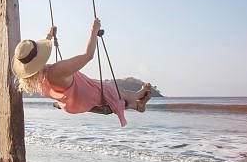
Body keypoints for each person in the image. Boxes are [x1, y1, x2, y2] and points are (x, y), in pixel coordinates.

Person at [11, 18, 152, 127]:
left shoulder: (35, 80)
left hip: (70, 103)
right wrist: (94, 29)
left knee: (110, 87)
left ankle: (137, 105)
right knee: (114, 91)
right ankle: (138, 98)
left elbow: (36, 60)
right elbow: (87, 56)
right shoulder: (56, 71)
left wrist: (49, 36)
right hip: (84, 97)